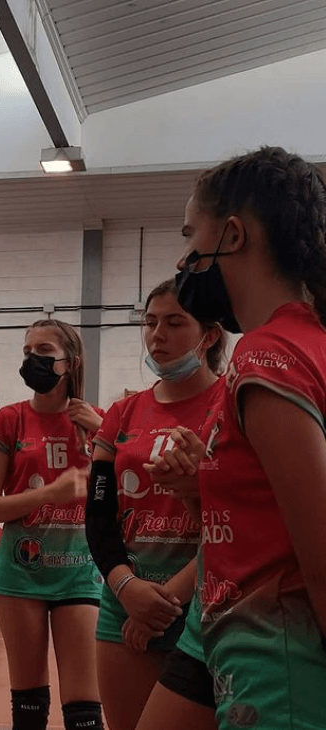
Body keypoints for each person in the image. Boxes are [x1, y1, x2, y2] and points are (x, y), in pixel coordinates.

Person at [153, 146, 326, 730]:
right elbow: (263, 517)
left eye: (190, 236)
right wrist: (197, 489)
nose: (183, 259)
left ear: (231, 235)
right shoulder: (303, 342)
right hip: (237, 645)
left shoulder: (267, 354)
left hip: (280, 672)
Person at [85, 279, 225, 730]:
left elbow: (237, 520)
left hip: (205, 601)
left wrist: (167, 601)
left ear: (210, 334)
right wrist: (128, 589)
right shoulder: (122, 414)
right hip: (125, 600)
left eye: (174, 323)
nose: (157, 335)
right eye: (150, 322)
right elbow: (98, 516)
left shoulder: (230, 403)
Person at [0, 318, 104, 730]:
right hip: (21, 573)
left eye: (45, 351)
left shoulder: (100, 422)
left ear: (72, 361)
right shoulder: (9, 420)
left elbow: (132, 490)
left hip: (80, 572)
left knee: (85, 709)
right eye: (28, 352)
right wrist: (49, 494)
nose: (33, 359)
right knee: (28, 705)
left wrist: (106, 434)